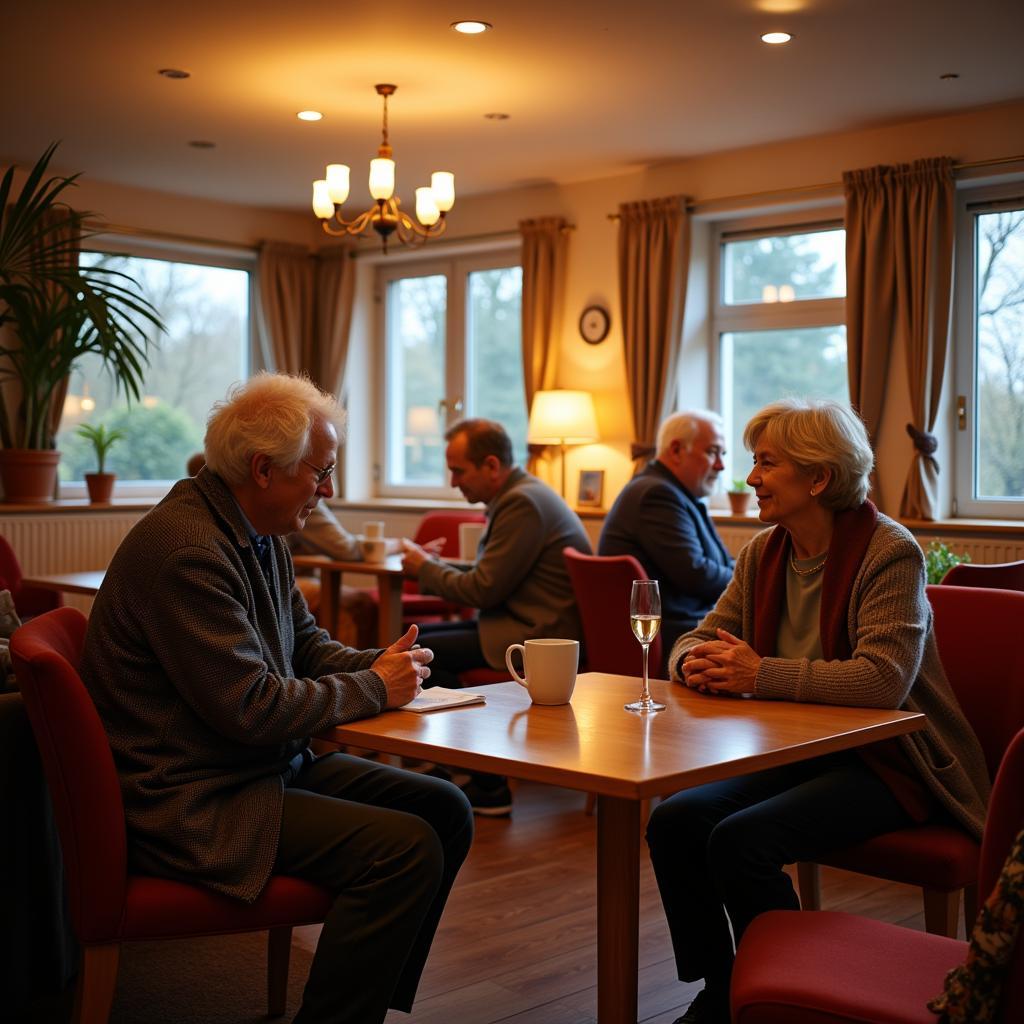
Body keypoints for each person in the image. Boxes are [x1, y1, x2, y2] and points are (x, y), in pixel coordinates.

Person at [83, 373, 473, 1024]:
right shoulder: (188, 551)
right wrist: (374, 686)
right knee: (405, 849)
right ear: (264, 469)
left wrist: (380, 663)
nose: (328, 492)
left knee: (446, 807)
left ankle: (366, 995)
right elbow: (253, 710)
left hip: (252, 773)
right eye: (320, 474)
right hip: (195, 801)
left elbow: (308, 646)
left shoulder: (255, 530)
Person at [647, 398, 990, 1024]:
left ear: (818, 477)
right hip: (799, 750)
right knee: (674, 821)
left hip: (893, 761)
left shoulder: (890, 550)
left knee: (741, 840)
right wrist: (694, 663)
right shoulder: (763, 552)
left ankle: (784, 993)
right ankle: (723, 985)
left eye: (766, 463)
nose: (749, 478)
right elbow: (694, 640)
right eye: (753, 462)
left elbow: (883, 681)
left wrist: (758, 673)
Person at [401, 417, 592, 815]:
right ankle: (457, 767)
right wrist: (437, 565)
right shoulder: (521, 495)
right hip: (517, 622)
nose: (453, 482)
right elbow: (488, 579)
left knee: (423, 658)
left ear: (491, 465)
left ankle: (488, 783)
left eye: (458, 470)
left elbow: (482, 590)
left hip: (537, 635)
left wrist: (424, 568)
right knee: (424, 648)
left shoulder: (522, 503)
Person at [598, 410, 733, 667]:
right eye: (712, 452)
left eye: (723, 454)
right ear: (676, 450)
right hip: (668, 635)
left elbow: (719, 563)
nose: (721, 465)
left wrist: (744, 574)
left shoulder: (676, 493)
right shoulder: (656, 494)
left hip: (676, 626)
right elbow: (696, 574)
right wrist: (747, 584)